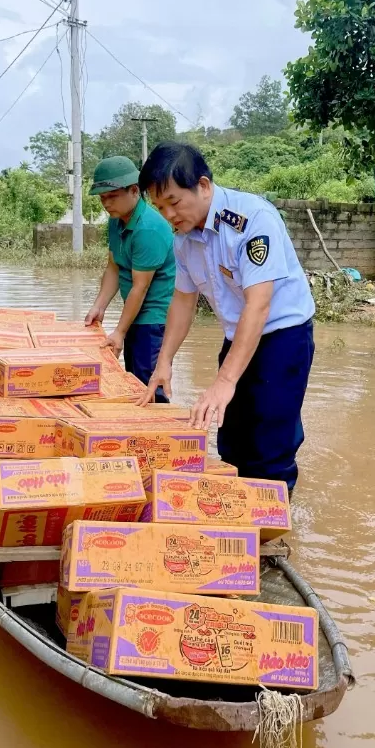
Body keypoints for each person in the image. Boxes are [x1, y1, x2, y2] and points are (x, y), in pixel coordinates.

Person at [138, 141, 315, 492]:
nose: (169, 215)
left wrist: (223, 380)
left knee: (270, 442)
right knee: (231, 437)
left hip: (283, 338)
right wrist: (164, 361)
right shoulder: (184, 239)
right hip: (238, 337)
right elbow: (183, 301)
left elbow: (259, 305)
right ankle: (235, 511)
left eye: (174, 202)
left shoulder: (253, 220)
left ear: (203, 186)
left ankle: (271, 530)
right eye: (159, 207)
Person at [85, 155, 176, 403]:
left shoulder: (148, 228)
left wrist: (119, 331)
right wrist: (99, 306)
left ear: (134, 191)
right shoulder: (116, 222)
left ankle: (162, 434)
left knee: (149, 383)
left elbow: (140, 286)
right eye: (102, 198)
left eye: (112, 196)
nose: (106, 204)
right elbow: (114, 268)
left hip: (155, 319)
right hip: (135, 314)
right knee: (132, 382)